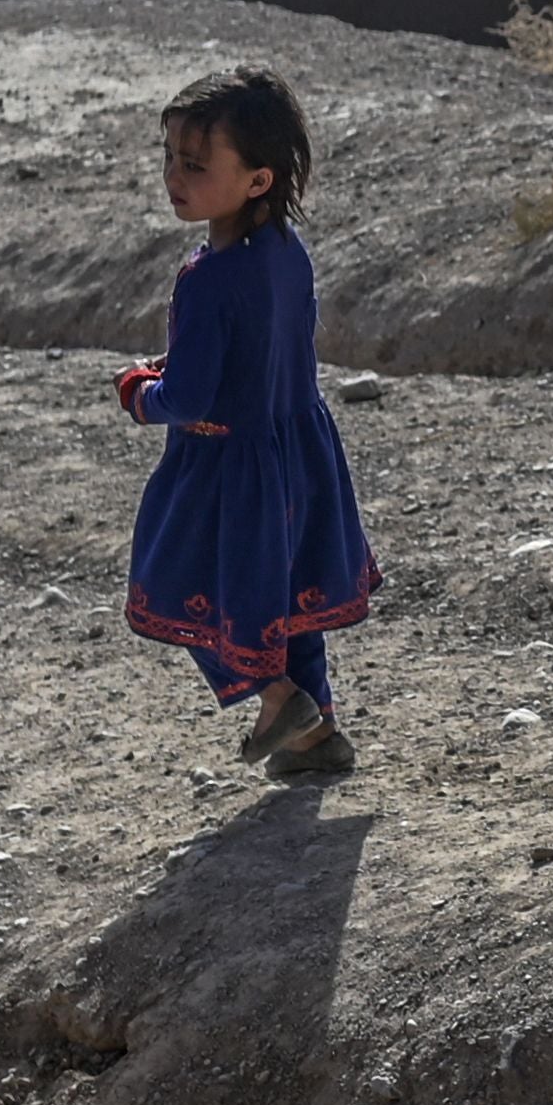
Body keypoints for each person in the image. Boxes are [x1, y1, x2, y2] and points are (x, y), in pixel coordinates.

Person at [120, 66, 380, 778]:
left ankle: (276, 698)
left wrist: (141, 391)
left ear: (257, 180)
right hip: (298, 451)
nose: (175, 175)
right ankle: (316, 737)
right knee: (285, 603)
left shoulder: (207, 279)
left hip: (225, 470)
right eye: (170, 156)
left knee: (176, 587)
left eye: (197, 164)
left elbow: (191, 398)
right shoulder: (286, 252)